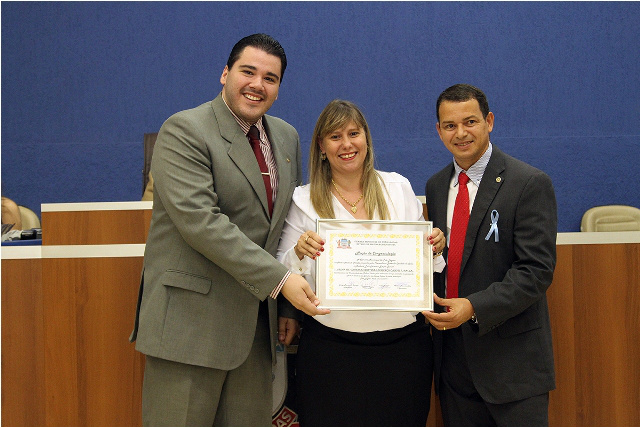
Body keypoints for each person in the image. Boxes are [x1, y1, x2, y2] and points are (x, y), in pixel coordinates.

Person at [130, 34, 329, 427]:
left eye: (270, 78)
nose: (258, 84)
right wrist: (281, 280)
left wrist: (286, 304)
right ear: (225, 74)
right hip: (190, 328)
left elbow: (286, 226)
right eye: (248, 72)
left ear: (278, 89)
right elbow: (201, 222)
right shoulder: (184, 130)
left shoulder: (286, 137)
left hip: (256, 332)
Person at [276, 99, 446, 427]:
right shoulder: (303, 199)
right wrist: (299, 251)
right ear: (322, 147)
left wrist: (435, 248)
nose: (347, 144)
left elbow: (427, 266)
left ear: (366, 139)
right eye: (335, 136)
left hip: (403, 351)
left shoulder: (397, 187)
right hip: (331, 351)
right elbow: (282, 271)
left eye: (354, 133)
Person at [423, 84, 557, 427]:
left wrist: (474, 307)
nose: (461, 133)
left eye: (470, 121)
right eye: (450, 125)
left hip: (512, 366)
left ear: (490, 121)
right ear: (439, 131)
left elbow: (535, 271)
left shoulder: (528, 183)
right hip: (453, 362)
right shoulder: (436, 186)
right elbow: (445, 259)